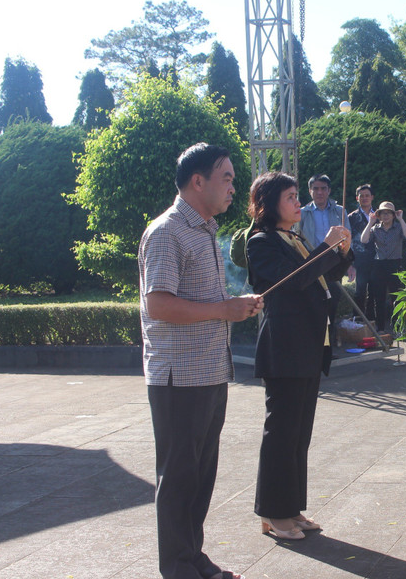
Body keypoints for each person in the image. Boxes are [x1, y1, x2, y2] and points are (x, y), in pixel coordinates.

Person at [138, 142, 263, 579]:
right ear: (198, 181)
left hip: (209, 372)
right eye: (226, 178)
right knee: (179, 479)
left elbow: (202, 300)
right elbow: (159, 305)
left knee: (200, 477)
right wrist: (222, 309)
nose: (233, 187)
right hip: (178, 378)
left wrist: (233, 304)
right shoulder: (168, 231)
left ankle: (192, 557)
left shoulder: (204, 230)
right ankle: (177, 567)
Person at [245, 172, 353, 541]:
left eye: (296, 196)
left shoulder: (294, 237)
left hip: (309, 344)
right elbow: (291, 281)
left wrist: (341, 250)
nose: (297, 203)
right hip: (284, 346)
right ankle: (273, 513)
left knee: (298, 434)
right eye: (291, 197)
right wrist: (325, 247)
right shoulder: (261, 242)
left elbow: (323, 276)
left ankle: (291, 508)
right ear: (270, 202)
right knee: (281, 432)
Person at [296, 174, 347, 346]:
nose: (320, 192)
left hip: (333, 264)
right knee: (313, 306)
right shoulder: (302, 213)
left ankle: (329, 348)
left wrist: (349, 262)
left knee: (332, 304)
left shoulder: (340, 211)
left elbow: (348, 238)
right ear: (310, 191)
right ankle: (312, 346)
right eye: (316, 188)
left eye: (323, 188)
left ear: (329, 191)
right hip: (312, 264)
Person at [360, 200, 406, 332]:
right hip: (379, 264)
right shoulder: (375, 228)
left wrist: (401, 219)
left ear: (393, 215)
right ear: (379, 215)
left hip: (395, 264)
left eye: (389, 213)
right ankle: (380, 328)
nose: (386, 216)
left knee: (397, 298)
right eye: (383, 213)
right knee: (379, 298)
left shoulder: (399, 227)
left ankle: (397, 328)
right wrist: (370, 222)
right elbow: (363, 240)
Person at [347, 184, 376, 320]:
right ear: (357, 198)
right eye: (361, 196)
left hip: (377, 259)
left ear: (372, 197)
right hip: (359, 259)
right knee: (360, 292)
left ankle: (372, 321)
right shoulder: (351, 217)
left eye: (367, 195)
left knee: (374, 291)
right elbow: (348, 241)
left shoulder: (380, 215)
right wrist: (350, 263)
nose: (364, 198)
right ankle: (357, 320)